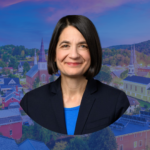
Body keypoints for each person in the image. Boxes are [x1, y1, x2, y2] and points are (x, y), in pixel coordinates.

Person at [20, 15, 130, 135]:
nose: (74, 55)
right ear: (54, 54)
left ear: (93, 53)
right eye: (65, 45)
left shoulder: (116, 102)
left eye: (83, 46)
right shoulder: (31, 102)